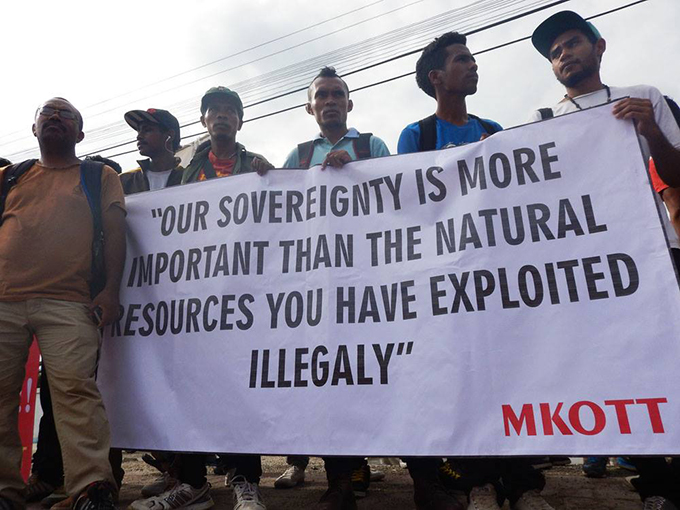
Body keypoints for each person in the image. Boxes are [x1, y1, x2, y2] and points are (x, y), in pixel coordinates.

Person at [529, 11, 680, 510]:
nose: (564, 55)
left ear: (599, 46)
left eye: (572, 43)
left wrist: (649, 129)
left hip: (653, 256)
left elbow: (676, 173)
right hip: (587, 273)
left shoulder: (644, 96)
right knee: (621, 371)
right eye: (555, 53)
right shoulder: (542, 123)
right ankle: (656, 486)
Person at [398, 32, 552, 510]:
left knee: (502, 378)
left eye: (473, 58)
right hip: (444, 282)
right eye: (462, 60)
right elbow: (410, 207)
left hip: (492, 280)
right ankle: (477, 482)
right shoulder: (416, 136)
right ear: (436, 78)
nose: (474, 65)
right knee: (460, 381)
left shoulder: (493, 128)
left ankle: (518, 484)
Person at [0, 98, 126, 510]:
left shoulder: (98, 176)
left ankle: (91, 489)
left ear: (81, 133)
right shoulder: (8, 179)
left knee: (75, 393)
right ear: (34, 129)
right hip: (3, 303)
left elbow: (115, 232)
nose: (55, 118)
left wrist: (110, 290)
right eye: (47, 114)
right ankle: (5, 493)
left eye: (65, 115)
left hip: (69, 303)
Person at [276, 66, 389, 509]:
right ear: (310, 107)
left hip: (371, 277)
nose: (329, 100)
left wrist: (355, 172)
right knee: (330, 377)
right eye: (321, 94)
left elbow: (398, 193)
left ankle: (424, 478)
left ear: (349, 102)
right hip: (318, 288)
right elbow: (277, 212)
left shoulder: (372, 145)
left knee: (384, 368)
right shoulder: (299, 155)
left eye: (336, 94)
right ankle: (340, 480)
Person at [173, 86, 270, 510]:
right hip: (197, 300)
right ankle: (191, 482)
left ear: (240, 121)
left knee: (239, 389)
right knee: (189, 388)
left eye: (231, 111)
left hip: (244, 299)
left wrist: (274, 178)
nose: (223, 116)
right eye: (215, 111)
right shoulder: (186, 173)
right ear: (204, 122)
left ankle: (245, 480)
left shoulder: (257, 165)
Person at [121, 108, 185, 192]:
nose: (139, 136)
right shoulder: (125, 181)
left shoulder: (190, 177)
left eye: (147, 130)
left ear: (170, 135)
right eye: (138, 131)